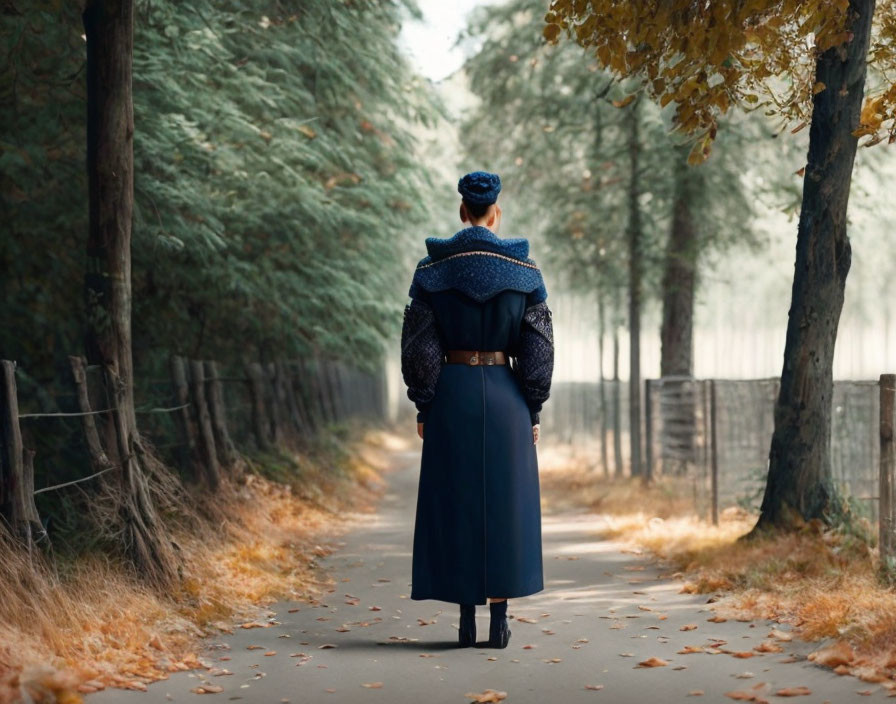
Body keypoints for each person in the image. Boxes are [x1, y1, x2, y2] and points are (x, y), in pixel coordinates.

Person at [400, 170, 554, 649]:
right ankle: (500, 619)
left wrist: (425, 404)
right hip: (507, 397)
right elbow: (539, 348)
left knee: (458, 502)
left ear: (463, 211)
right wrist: (533, 409)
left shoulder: (431, 272)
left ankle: (465, 619)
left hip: (452, 395)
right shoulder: (526, 274)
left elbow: (419, 347)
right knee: (505, 506)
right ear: (495, 212)